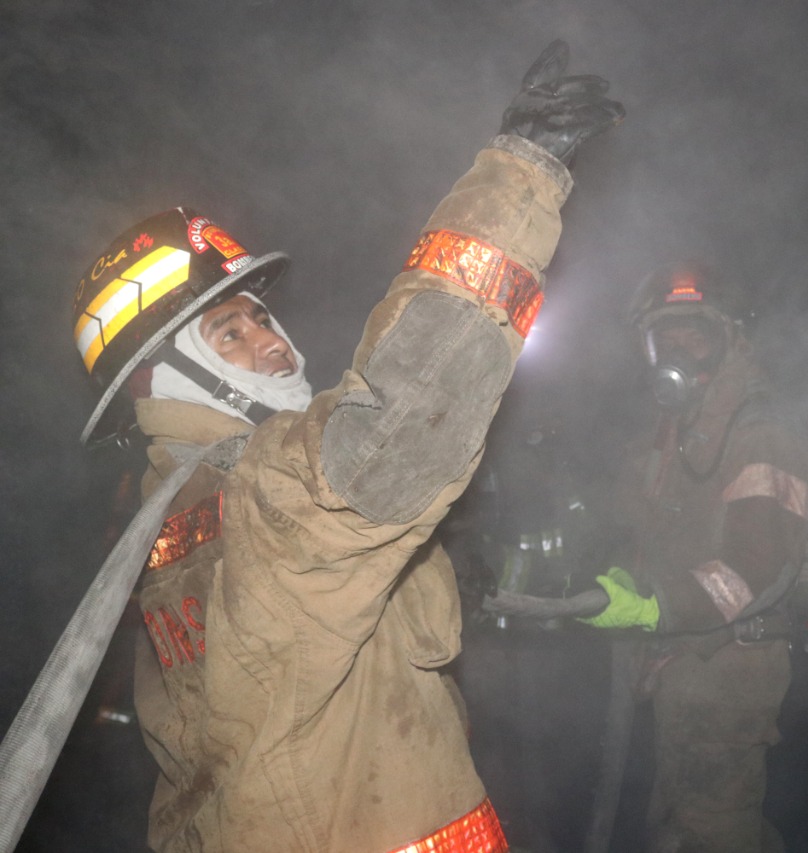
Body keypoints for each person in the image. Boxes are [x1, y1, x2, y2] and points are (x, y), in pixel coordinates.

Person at [69, 41, 622, 853]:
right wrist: (521, 174)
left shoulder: (162, 521)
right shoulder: (261, 490)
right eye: (230, 331)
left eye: (261, 315)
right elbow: (399, 417)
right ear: (162, 381)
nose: (273, 343)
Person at [578, 263, 808, 853]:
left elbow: (751, 569)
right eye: (667, 340)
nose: (681, 354)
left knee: (713, 829)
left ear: (733, 341)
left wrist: (654, 607)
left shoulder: (761, 430)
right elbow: (645, 526)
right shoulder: (682, 429)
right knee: (682, 821)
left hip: (732, 673)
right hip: (686, 665)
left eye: (698, 337)